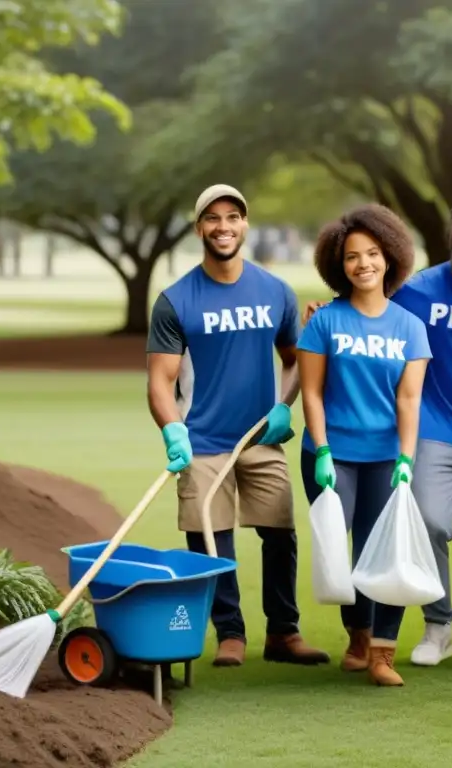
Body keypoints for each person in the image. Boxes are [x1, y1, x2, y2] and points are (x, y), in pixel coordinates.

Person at [304, 196, 452, 666]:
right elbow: (369, 299)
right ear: (450, 233)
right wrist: (323, 312)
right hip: (431, 432)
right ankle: (438, 626)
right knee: (429, 525)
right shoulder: (417, 290)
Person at [146, 184, 329, 668]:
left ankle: (283, 633)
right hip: (202, 441)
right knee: (211, 538)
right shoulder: (175, 300)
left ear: (244, 225)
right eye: (213, 218)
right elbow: (161, 381)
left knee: (279, 534)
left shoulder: (274, 292)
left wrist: (282, 405)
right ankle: (230, 633)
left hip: (260, 439)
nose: (223, 226)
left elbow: (294, 361)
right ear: (198, 227)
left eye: (233, 217)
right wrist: (172, 429)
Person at [297, 204, 432, 687]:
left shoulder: (410, 327)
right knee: (345, 555)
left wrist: (406, 459)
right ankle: (357, 636)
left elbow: (409, 399)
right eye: (352, 257)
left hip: (385, 459)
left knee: (387, 552)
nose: (363, 265)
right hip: (331, 456)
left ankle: (382, 653)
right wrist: (322, 448)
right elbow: (311, 391)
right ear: (339, 264)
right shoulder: (324, 322)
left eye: (372, 254)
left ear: (390, 257)